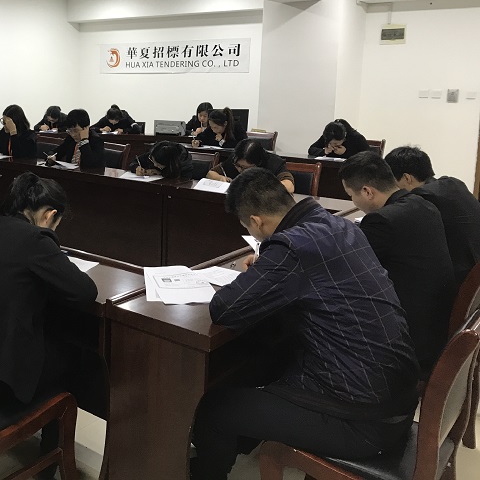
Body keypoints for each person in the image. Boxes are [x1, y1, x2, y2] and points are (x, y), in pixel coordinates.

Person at [191, 167, 419, 480]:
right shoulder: (338, 225)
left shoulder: (292, 248)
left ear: (256, 221)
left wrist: (264, 270)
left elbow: (225, 308)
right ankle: (241, 440)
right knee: (267, 362)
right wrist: (270, 268)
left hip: (363, 421)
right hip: (395, 395)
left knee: (214, 408)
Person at [0, 172, 99, 479]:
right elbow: (85, 291)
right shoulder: (35, 240)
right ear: (49, 215)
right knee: (74, 357)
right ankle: (49, 462)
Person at [339, 151, 455, 374]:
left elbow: (348, 268)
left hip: (409, 340)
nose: (353, 201)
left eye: (351, 195)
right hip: (436, 326)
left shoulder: (382, 221)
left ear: (367, 192)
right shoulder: (424, 204)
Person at [385, 146, 480, 286]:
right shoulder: (452, 183)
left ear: (407, 178)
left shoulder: (421, 198)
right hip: (474, 275)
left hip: (457, 282)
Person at [206, 139, 294, 193]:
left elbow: (289, 186)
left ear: (258, 163)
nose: (240, 170)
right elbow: (211, 173)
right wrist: (220, 178)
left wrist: (264, 187)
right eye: (238, 166)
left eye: (245, 168)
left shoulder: (273, 162)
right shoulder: (235, 160)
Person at [130, 141, 194, 180]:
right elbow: (135, 161)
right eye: (152, 160)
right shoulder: (156, 153)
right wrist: (136, 167)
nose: (154, 165)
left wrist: (161, 172)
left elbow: (181, 181)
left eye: (158, 165)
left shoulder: (184, 164)